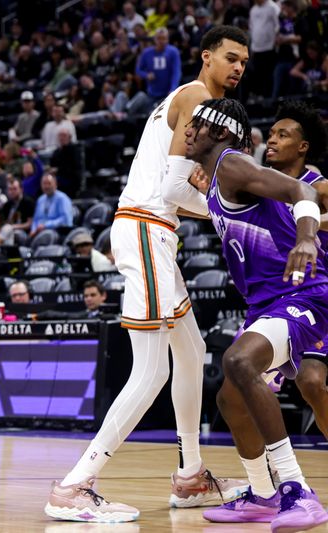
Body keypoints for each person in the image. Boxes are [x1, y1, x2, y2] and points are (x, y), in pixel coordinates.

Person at [45, 27, 251, 522]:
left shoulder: (189, 101)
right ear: (205, 57)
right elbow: (175, 189)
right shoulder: (199, 97)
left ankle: (190, 476)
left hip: (153, 232)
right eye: (230, 57)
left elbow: (178, 188)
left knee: (194, 351)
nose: (239, 67)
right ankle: (75, 485)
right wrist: (229, 212)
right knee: (153, 369)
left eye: (245, 61)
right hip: (145, 227)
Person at [186, 98, 328, 531]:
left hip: (303, 292)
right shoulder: (218, 177)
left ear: (223, 132)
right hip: (266, 302)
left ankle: (295, 491)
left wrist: (307, 237)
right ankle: (262, 494)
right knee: (229, 398)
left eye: (198, 123)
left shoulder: (232, 164)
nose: (189, 129)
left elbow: (302, 191)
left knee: (241, 362)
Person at [260, 101, 328, 440]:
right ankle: (268, 479)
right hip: (283, 299)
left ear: (302, 146)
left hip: (319, 295)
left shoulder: (318, 184)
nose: (271, 140)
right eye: (271, 134)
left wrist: (309, 225)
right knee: (305, 384)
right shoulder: (261, 186)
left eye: (282, 135)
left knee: (311, 381)